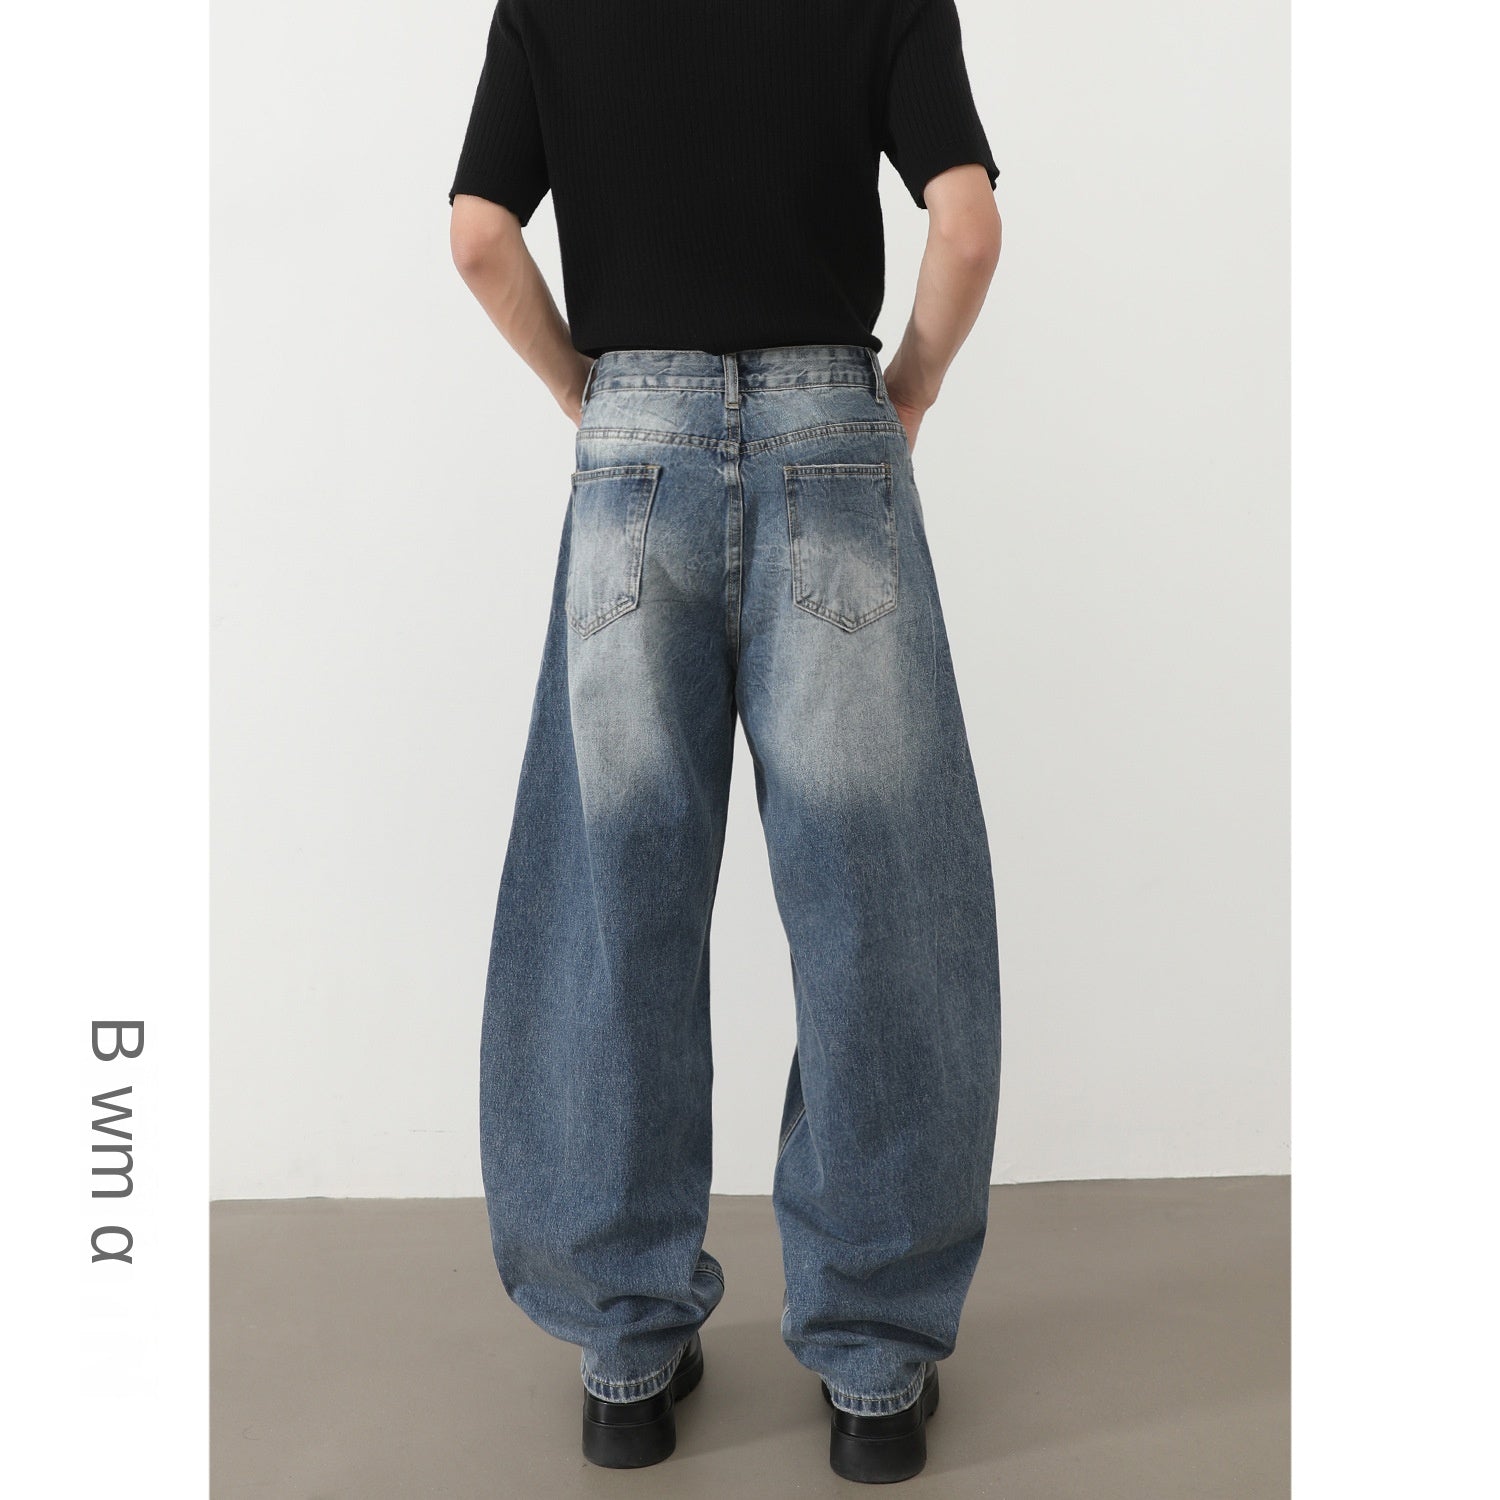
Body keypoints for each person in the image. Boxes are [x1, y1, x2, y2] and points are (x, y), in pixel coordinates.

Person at [448, 0, 1003, 1484]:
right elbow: (964, 227)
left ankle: (626, 1359)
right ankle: (874, 1373)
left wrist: (587, 392)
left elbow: (481, 236)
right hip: (835, 440)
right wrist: (909, 388)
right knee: (878, 915)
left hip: (634, 448)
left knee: (613, 906)